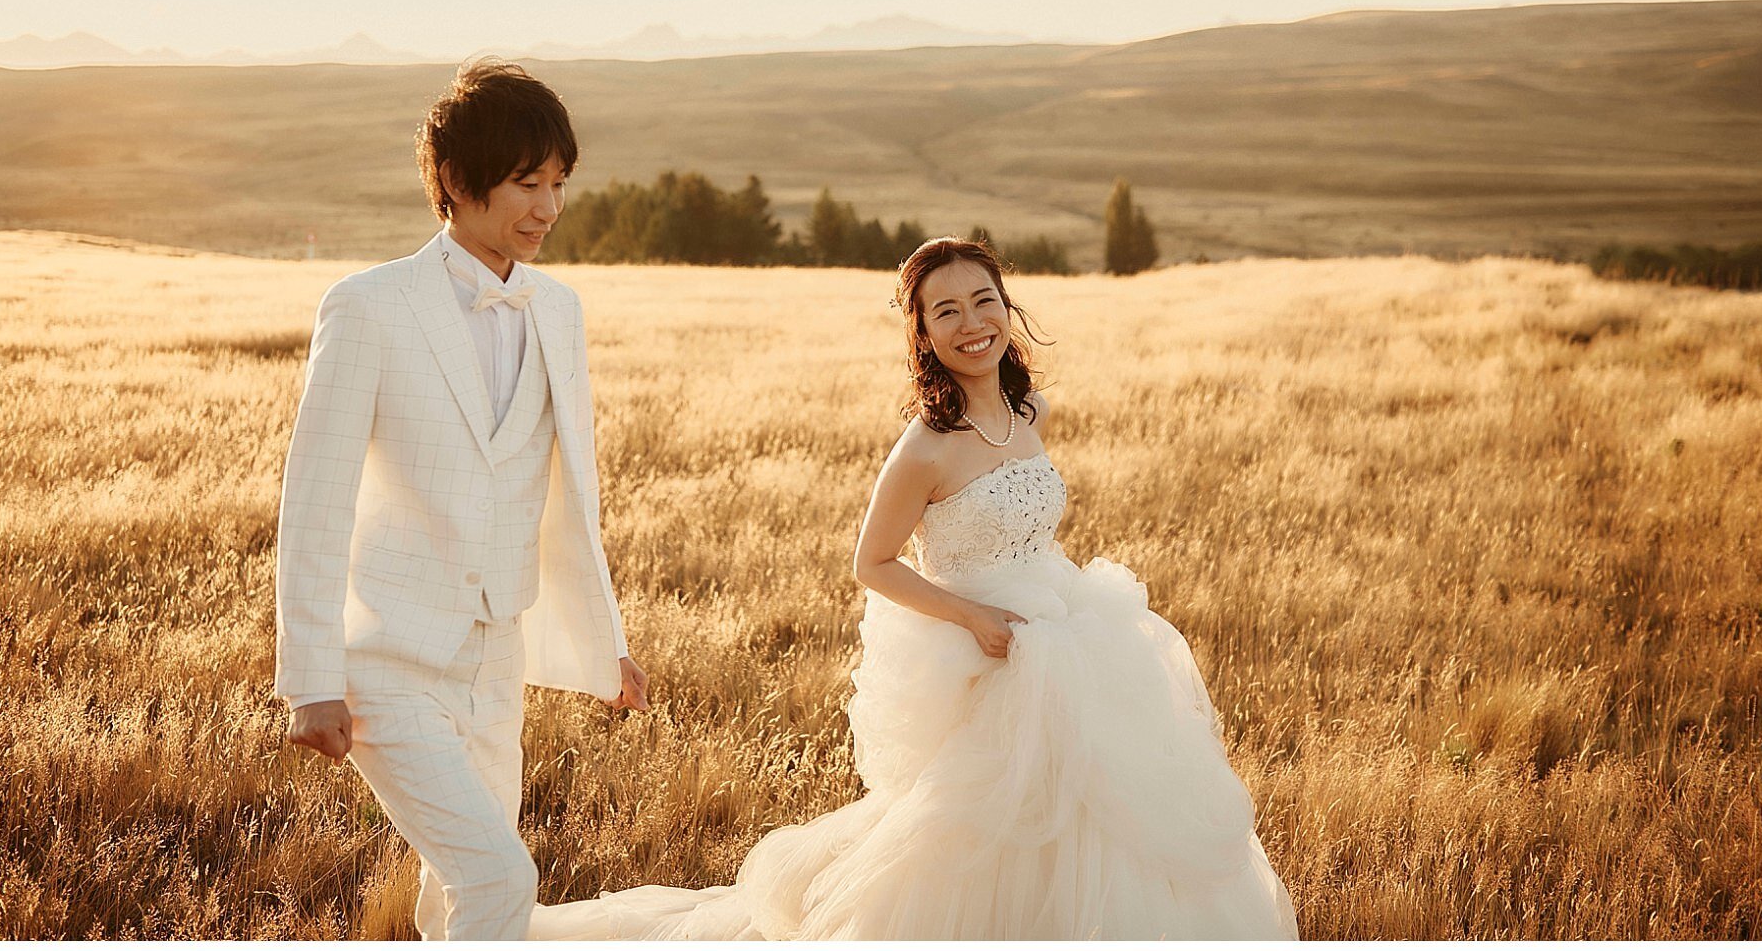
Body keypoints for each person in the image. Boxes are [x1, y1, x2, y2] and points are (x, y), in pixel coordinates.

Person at [532, 236, 1298, 939]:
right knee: (982, 824)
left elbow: (1027, 525)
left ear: (1008, 308)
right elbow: (873, 562)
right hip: (984, 652)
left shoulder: (1031, 410)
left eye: (984, 301)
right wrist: (971, 616)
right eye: (946, 311)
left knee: (1110, 813)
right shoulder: (925, 447)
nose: (972, 323)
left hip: (1068, 628)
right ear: (923, 335)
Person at [274, 58, 649, 941]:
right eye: (527, 183)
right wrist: (310, 681)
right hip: (388, 663)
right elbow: (314, 501)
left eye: (559, 184)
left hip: (497, 659)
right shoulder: (368, 307)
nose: (549, 209)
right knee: (498, 878)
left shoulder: (559, 310)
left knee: (458, 891)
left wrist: (608, 643)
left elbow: (570, 499)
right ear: (453, 180)